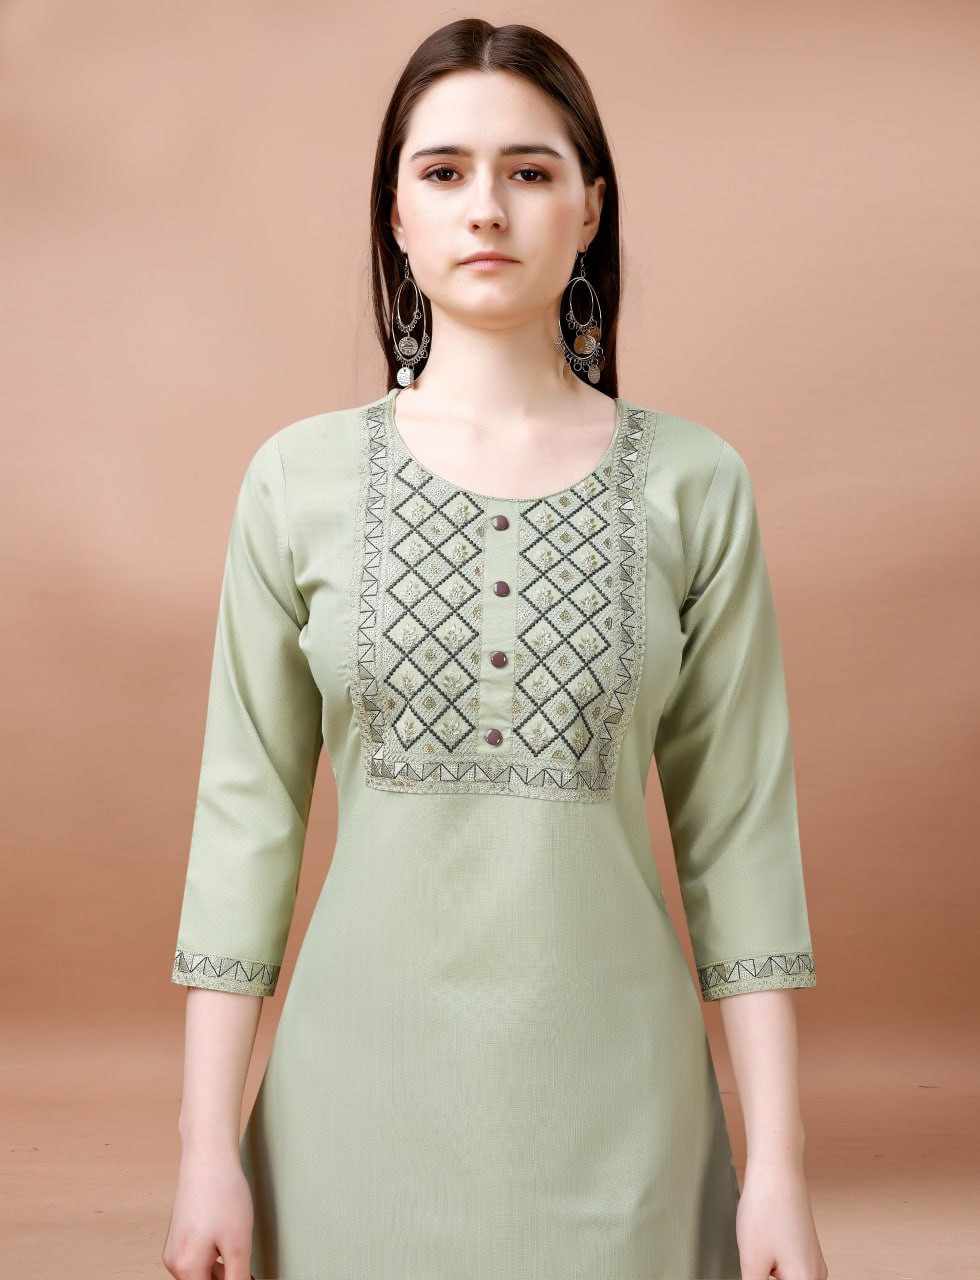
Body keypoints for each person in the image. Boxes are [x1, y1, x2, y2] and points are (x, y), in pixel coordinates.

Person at [162, 18, 827, 1280]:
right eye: (442, 171)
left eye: (528, 170)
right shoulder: (296, 481)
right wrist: (206, 1150)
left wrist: (777, 1171)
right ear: (395, 215)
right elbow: (243, 826)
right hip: (345, 1125)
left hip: (624, 1127)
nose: (485, 207)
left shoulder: (694, 484)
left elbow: (739, 841)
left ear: (589, 209)